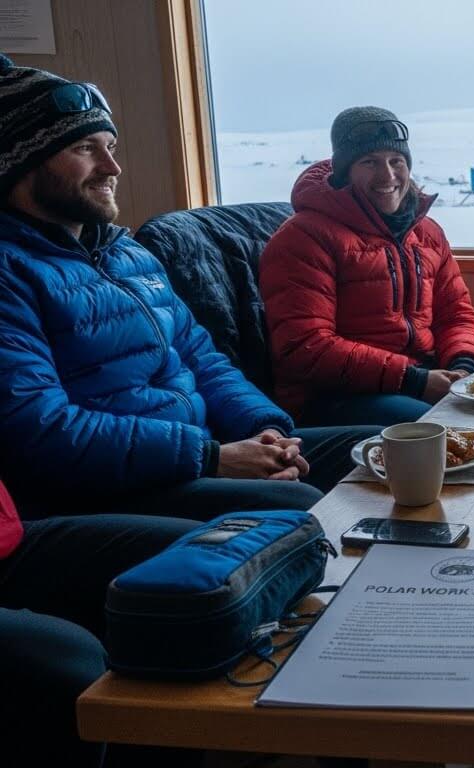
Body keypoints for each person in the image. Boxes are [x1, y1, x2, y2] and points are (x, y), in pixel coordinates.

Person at [0, 56, 379, 520]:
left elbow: (202, 358)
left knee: (386, 449)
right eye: (85, 148)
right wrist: (212, 458)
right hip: (103, 489)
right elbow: (41, 432)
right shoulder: (10, 272)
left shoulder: (127, 254)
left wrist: (265, 428)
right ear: (19, 162)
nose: (112, 166)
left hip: (195, 450)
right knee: (297, 507)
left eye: (111, 146)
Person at [260, 106, 474, 427]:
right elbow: (305, 347)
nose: (387, 175)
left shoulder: (427, 233)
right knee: (446, 430)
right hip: (334, 396)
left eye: (396, 161)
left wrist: (463, 367)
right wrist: (414, 380)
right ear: (343, 173)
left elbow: (456, 315)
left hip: (422, 377)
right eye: (369, 162)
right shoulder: (303, 238)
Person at [0, 477, 199, 766]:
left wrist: (269, 429)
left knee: (190, 563)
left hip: (8, 539)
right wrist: (210, 456)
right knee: (63, 662)